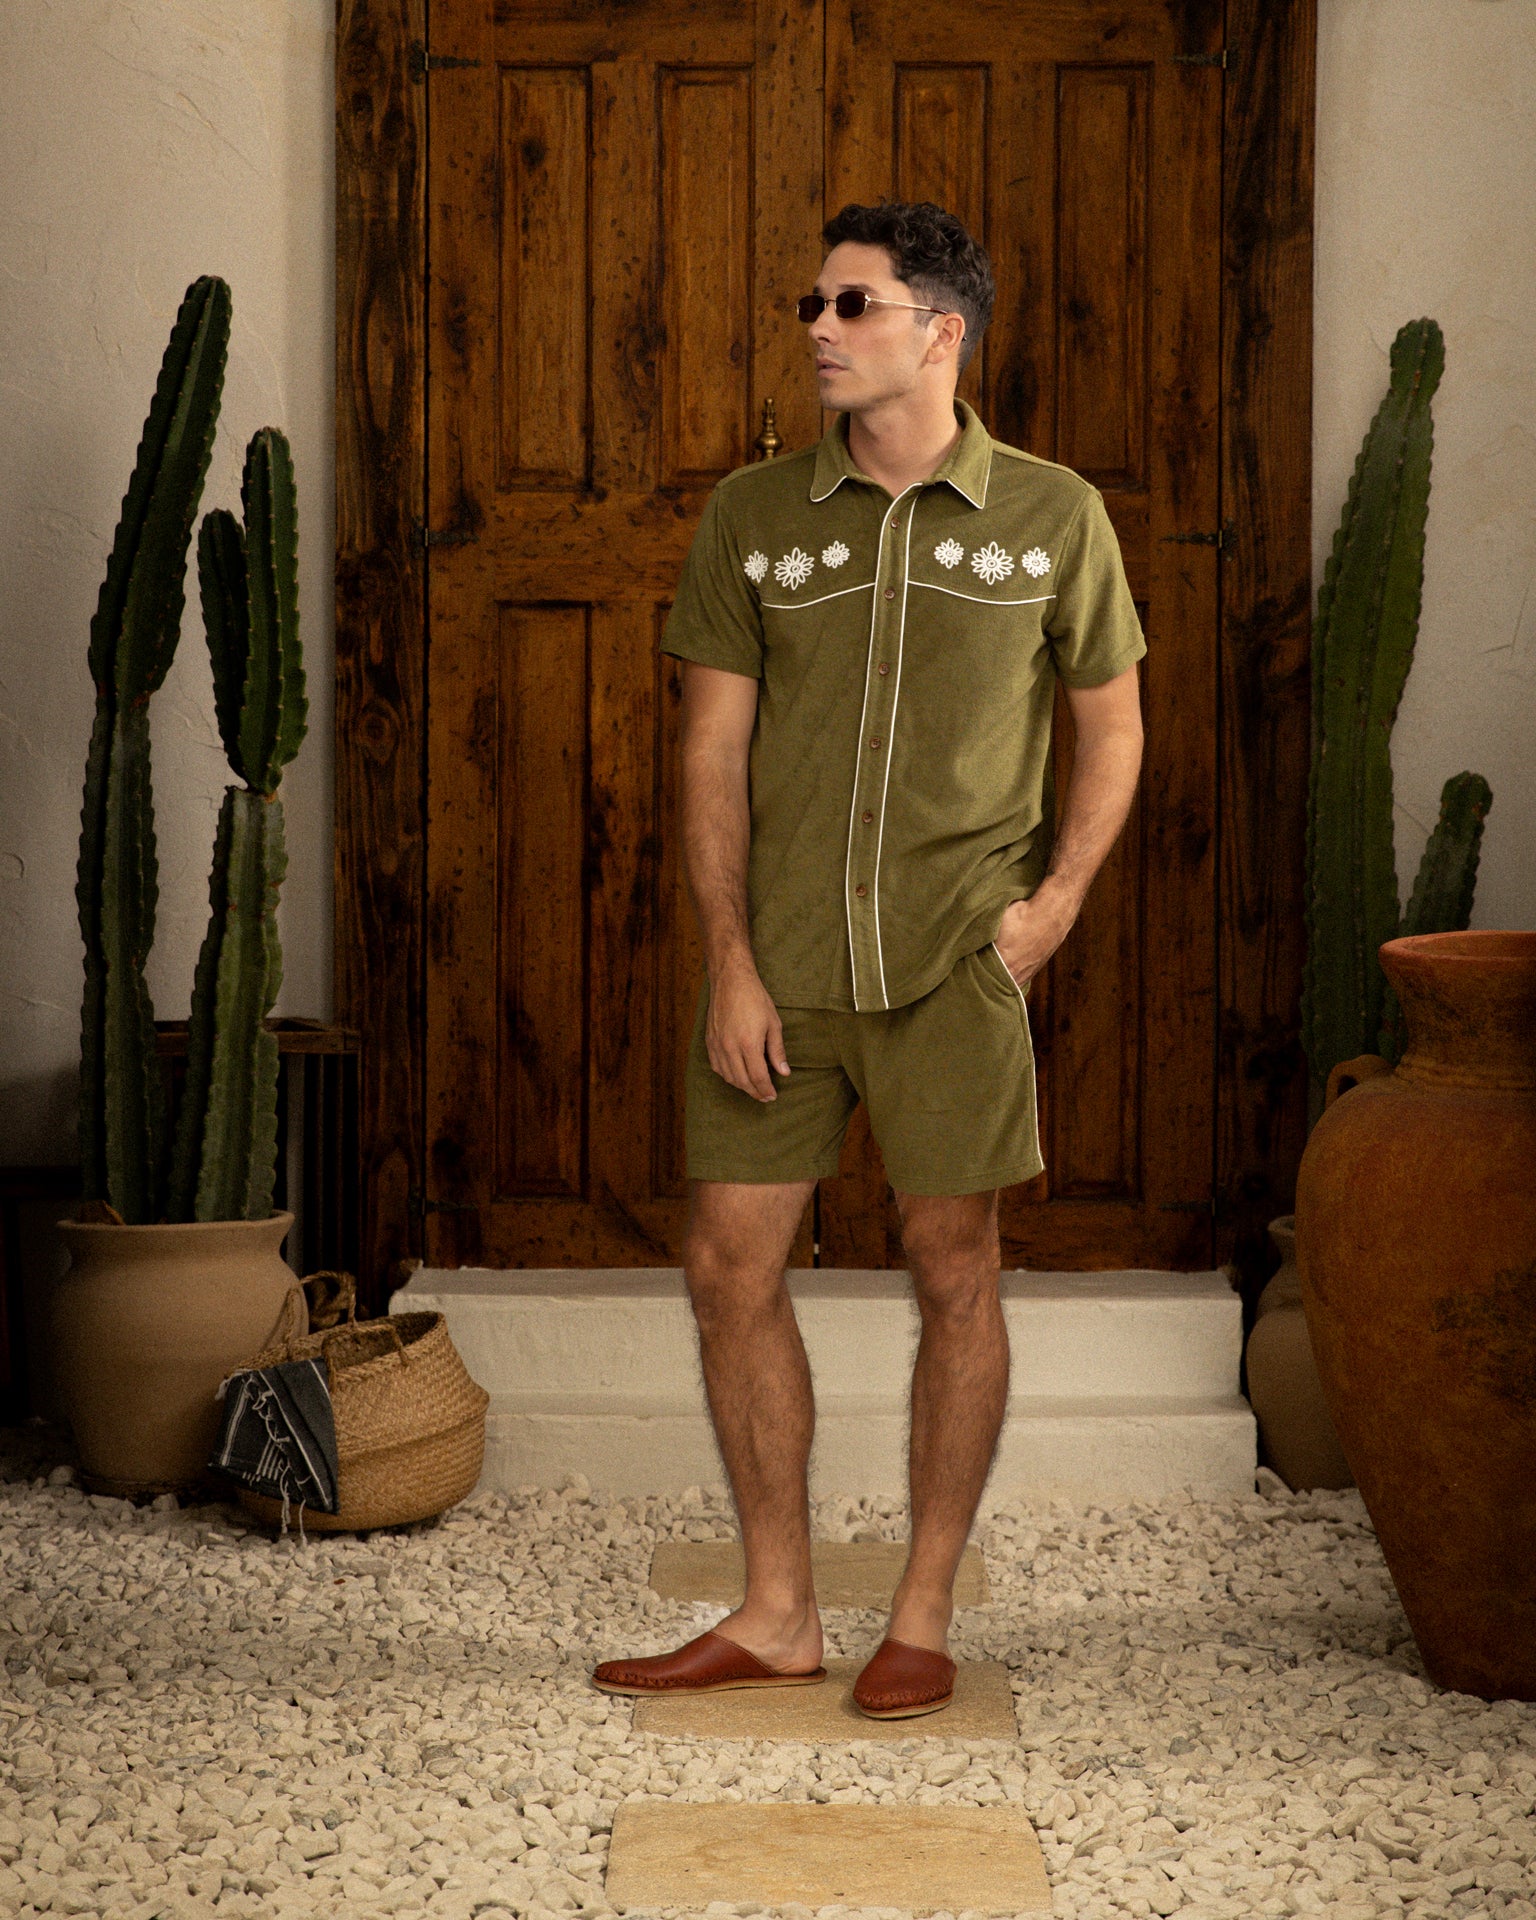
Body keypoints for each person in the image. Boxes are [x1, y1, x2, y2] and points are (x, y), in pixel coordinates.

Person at [591, 200, 1145, 1718]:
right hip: (781, 965)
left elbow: (1114, 724)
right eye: (813, 305)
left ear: (938, 331)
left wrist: (1054, 907)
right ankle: (776, 1611)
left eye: (851, 305)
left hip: (956, 967)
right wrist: (729, 959)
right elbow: (713, 749)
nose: (818, 330)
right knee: (728, 1265)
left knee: (954, 1267)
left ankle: (920, 1609)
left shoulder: (1053, 516)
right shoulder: (753, 517)